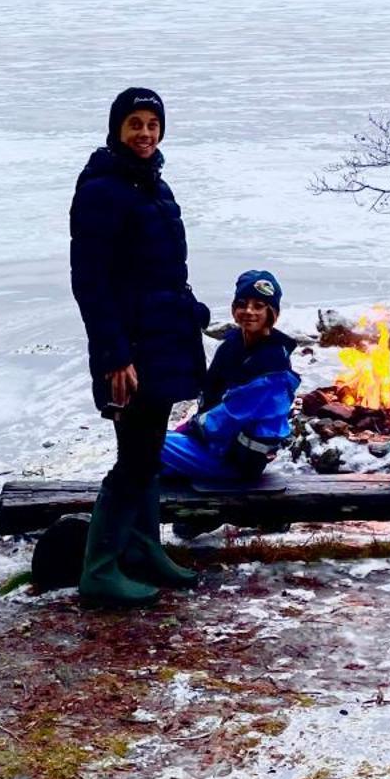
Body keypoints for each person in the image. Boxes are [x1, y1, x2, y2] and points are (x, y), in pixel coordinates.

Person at [68, 87, 208, 608]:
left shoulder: (155, 186)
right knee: (133, 457)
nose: (145, 133)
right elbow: (90, 280)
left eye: (152, 124)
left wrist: (188, 307)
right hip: (130, 347)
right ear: (117, 131)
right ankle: (99, 569)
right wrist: (114, 355)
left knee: (148, 453)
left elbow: (165, 267)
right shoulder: (102, 190)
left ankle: (145, 548)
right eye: (135, 125)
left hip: (164, 336)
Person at [163, 269, 300, 483]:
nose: (249, 311)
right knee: (150, 465)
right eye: (242, 304)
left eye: (258, 306)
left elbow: (228, 417)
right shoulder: (234, 345)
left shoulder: (273, 367)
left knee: (146, 444)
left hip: (235, 462)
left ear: (271, 312)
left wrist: (190, 428)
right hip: (217, 447)